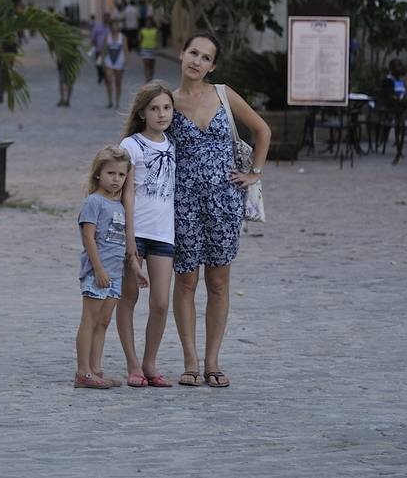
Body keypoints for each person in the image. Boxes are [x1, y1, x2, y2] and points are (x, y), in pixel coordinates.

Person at [169, 31, 271, 389]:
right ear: (181, 55)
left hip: (224, 204)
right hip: (182, 204)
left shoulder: (223, 95)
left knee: (217, 282)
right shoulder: (167, 102)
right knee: (185, 281)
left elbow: (262, 131)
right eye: (192, 53)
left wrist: (253, 173)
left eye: (205, 57)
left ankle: (212, 359)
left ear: (213, 65)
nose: (197, 61)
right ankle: (190, 361)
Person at [116, 82, 178, 389]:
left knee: (161, 302)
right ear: (142, 112)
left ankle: (150, 362)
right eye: (154, 108)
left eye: (166, 107)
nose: (161, 114)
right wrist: (130, 245)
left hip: (164, 235)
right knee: (128, 299)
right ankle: (133, 364)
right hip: (136, 232)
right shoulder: (131, 146)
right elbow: (126, 196)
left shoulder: (174, 146)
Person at [75, 145, 132, 390]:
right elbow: (88, 238)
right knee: (90, 319)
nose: (116, 179)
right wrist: (98, 269)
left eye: (121, 175)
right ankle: (83, 371)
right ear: (99, 173)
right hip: (97, 273)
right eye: (111, 174)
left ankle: (96, 369)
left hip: (115, 274)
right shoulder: (93, 202)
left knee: (104, 322)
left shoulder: (120, 206)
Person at [102, 26, 127, 109]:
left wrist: (126, 61)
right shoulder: (107, 37)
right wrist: (102, 61)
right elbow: (104, 49)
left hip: (119, 61)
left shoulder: (122, 37)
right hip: (109, 61)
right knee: (109, 81)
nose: (114, 28)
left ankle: (117, 102)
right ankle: (110, 101)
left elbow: (125, 49)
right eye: (113, 26)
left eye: (116, 25)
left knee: (118, 82)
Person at [90, 12, 111, 90]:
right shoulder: (97, 27)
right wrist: (92, 44)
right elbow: (93, 37)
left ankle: (105, 77)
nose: (106, 19)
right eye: (105, 17)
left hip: (108, 51)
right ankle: (100, 75)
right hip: (99, 49)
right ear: (103, 18)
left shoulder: (110, 28)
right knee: (98, 64)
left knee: (106, 65)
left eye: (107, 17)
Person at [139, 14, 160, 82]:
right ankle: (147, 79)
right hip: (145, 49)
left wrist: (157, 46)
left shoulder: (155, 30)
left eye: (149, 22)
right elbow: (140, 39)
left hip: (153, 48)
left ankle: (151, 78)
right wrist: (140, 47)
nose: (148, 23)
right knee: (146, 64)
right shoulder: (142, 30)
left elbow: (158, 39)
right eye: (147, 22)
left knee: (152, 65)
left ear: (152, 22)